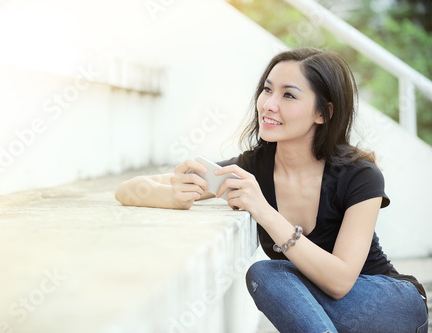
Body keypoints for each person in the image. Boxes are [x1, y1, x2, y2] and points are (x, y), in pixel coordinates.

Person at [115, 47, 428, 332]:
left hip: (387, 300)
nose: (269, 104)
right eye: (267, 90)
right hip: (318, 307)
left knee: (271, 274)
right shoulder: (252, 168)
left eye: (289, 96)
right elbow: (129, 190)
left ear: (324, 113)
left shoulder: (360, 175)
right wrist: (171, 195)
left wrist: (264, 211)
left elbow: (340, 281)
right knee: (267, 276)